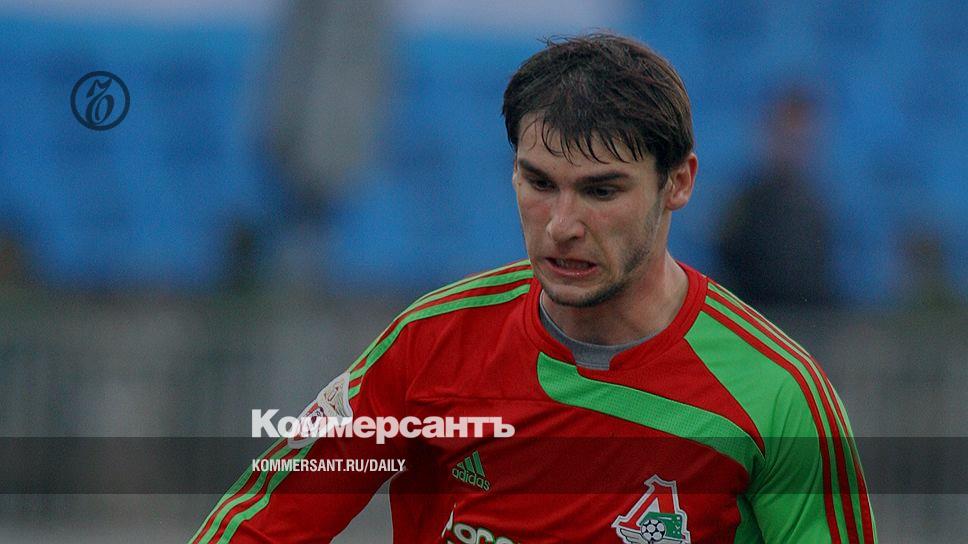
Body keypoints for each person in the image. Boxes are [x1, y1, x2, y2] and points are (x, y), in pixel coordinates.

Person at [190, 33, 876, 543]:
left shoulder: (779, 396)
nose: (562, 225)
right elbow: (262, 523)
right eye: (539, 182)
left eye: (601, 191)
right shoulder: (432, 343)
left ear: (678, 183)